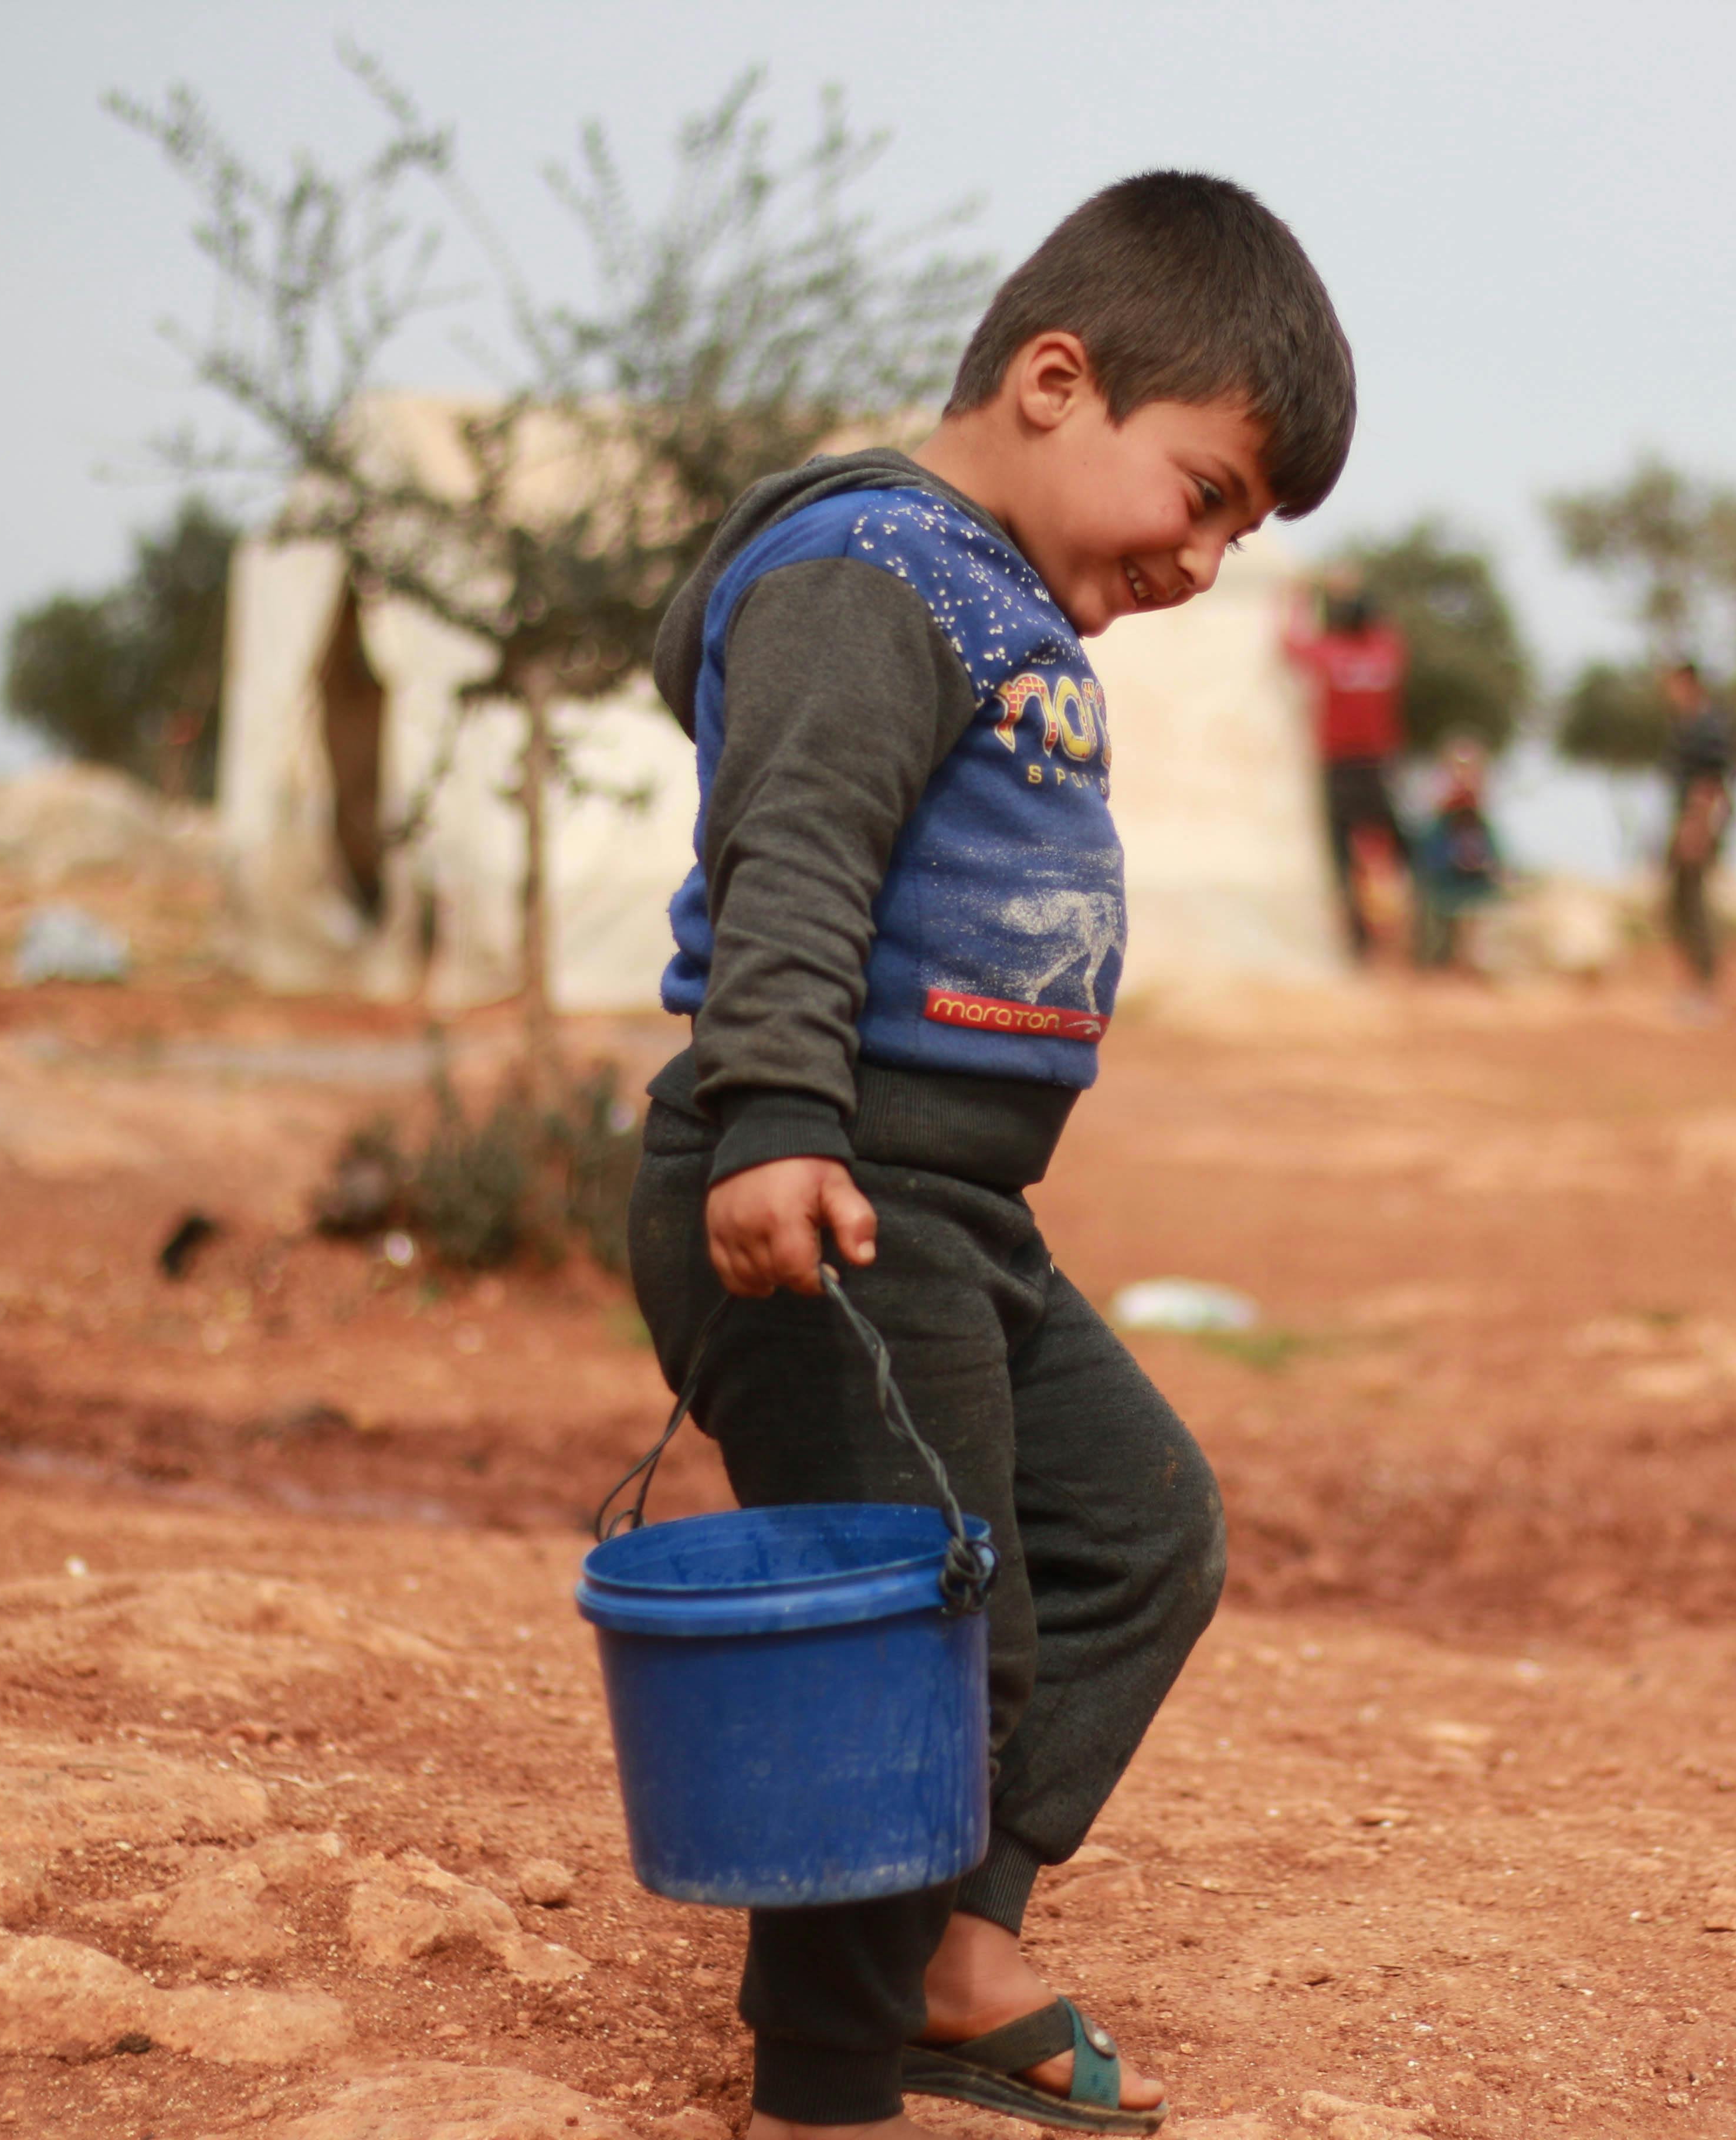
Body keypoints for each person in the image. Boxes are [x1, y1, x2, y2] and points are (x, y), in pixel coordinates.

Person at [627, 172, 1354, 2140]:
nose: (1208, 554)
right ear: (1057, 380)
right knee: (928, 1645)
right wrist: (774, 1117)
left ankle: (952, 1936)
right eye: (1204, 490)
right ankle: (826, 2088)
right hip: (825, 1180)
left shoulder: (998, 593)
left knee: (1139, 1530)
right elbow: (794, 850)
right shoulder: (877, 574)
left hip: (951, 1206)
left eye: (1241, 529)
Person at [1283, 570, 1409, 958]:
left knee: (1343, 858)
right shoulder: (1387, 650)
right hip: (1379, 765)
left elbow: (1289, 647)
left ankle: (1359, 938)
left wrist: (1300, 602)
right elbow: (1387, 629)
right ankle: (1397, 931)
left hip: (1338, 766)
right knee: (1389, 852)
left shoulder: (1329, 652)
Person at [1659, 659, 1734, 1006]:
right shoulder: (1689, 725)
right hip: (1687, 820)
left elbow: (1709, 783)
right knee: (1679, 903)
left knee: (1694, 903)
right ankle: (1694, 983)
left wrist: (1696, 828)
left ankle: (1704, 987)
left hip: (1697, 823)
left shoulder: (1707, 728)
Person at [1408, 737, 1506, 970]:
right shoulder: (1437, 829)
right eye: (1457, 771)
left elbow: (1495, 865)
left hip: (1477, 895)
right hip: (1444, 895)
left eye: (1471, 771)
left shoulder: (1482, 827)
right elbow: (1428, 867)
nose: (1465, 779)